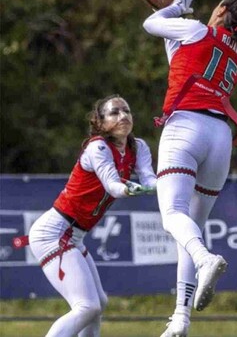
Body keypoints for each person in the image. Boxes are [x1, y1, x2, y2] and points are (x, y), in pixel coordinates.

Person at [142, 0, 237, 337]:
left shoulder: (199, 29)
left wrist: (175, 7)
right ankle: (181, 318)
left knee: (173, 216)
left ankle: (205, 260)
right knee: (192, 227)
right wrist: (177, 14)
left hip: (186, 126)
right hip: (220, 136)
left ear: (222, 10)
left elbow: (150, 25)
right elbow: (180, 61)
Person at [27, 95, 156, 337]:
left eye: (127, 111)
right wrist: (129, 188)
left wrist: (171, 183)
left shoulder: (138, 146)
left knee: (98, 304)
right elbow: (113, 185)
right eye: (114, 113)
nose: (123, 116)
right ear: (100, 122)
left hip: (73, 236)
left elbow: (149, 178)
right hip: (53, 233)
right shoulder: (97, 147)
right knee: (87, 307)